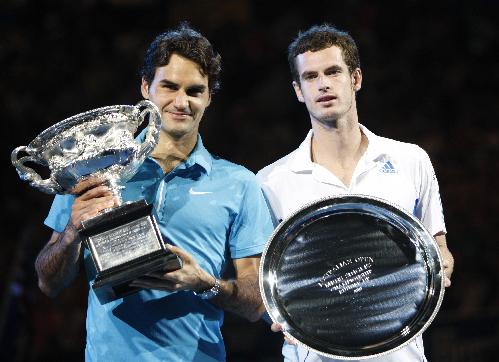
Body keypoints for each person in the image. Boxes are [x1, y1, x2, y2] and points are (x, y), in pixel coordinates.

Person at [35, 24, 273, 361]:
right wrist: (72, 234)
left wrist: (206, 284)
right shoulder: (92, 172)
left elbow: (256, 302)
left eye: (194, 90)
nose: (181, 102)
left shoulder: (239, 183)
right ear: (146, 88)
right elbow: (48, 283)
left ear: (208, 97)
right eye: (169, 87)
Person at [257, 24, 454, 362]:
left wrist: (440, 268)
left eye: (333, 71)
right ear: (298, 90)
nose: (323, 84)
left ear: (356, 79)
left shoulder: (411, 160)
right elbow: (267, 281)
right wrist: (274, 314)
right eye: (310, 77)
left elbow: (439, 250)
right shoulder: (270, 181)